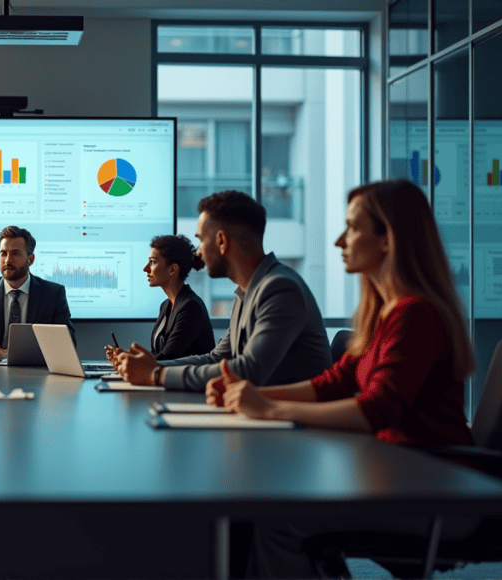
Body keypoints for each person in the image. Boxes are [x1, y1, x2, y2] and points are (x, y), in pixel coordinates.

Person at [207, 179, 477, 578]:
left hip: (429, 485)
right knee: (267, 504)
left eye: (352, 227)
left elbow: (378, 410)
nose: (339, 241)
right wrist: (247, 394)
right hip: (395, 471)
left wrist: (270, 409)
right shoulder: (384, 314)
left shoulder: (415, 315)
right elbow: (331, 383)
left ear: (389, 239)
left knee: (276, 520)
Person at [115, 190, 331, 391]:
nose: (198, 252)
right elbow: (217, 358)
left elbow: (248, 370)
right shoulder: (245, 292)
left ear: (221, 241)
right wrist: (152, 365)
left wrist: (156, 374)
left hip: (296, 426)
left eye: (200, 240)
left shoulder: (280, 289)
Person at [0, 225, 76, 362]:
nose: (7, 260)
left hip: (37, 376)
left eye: (16, 253)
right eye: (3, 253)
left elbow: (68, 344)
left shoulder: (53, 294)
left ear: (31, 259)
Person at [105, 235, 214, 366]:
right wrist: (125, 356)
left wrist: (128, 358)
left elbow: (167, 358)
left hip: (184, 384)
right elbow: (157, 354)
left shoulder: (190, 307)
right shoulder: (166, 305)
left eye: (153, 262)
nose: (146, 269)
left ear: (172, 269)